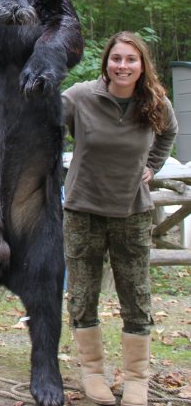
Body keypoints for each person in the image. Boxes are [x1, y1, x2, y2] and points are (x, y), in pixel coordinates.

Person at [61, 31, 178, 406]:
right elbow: (42, 119)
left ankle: (137, 379)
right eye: (116, 58)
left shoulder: (155, 102)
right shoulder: (81, 97)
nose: (122, 65)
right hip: (83, 211)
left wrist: (153, 166)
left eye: (130, 59)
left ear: (142, 65)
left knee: (136, 295)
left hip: (132, 212)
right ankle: (92, 373)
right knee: (83, 294)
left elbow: (168, 133)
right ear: (106, 62)